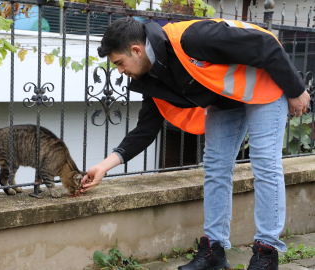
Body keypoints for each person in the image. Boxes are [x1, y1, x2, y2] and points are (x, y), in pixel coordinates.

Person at [80, 17, 310, 270]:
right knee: (215, 168)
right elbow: (146, 129)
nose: (120, 71)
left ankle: (267, 253)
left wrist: (296, 90)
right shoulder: (151, 78)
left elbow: (265, 43)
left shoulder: (192, 37)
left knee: (265, 163)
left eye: (119, 63)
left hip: (265, 85)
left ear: (136, 50)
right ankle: (214, 249)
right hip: (226, 100)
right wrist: (104, 166)